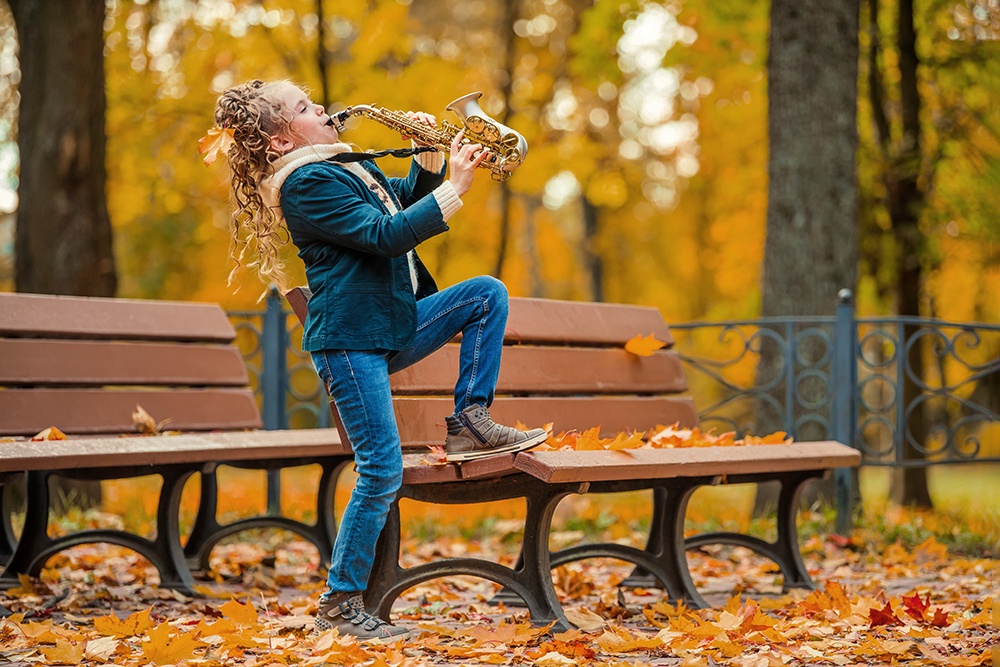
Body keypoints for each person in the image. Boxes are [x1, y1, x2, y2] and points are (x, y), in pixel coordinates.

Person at [209, 80, 547, 641]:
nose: (321, 110)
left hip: (389, 323)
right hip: (348, 341)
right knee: (381, 470)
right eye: (304, 109)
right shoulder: (304, 183)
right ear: (277, 141)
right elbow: (386, 235)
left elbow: (399, 205)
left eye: (313, 102)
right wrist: (455, 188)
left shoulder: (343, 167)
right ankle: (340, 603)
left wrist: (431, 159)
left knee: (485, 293)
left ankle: (469, 421)